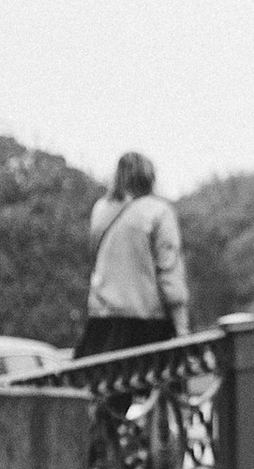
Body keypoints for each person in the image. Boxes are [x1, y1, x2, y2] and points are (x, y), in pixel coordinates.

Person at [77, 154, 188, 360]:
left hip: (101, 325)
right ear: (150, 177)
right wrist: (181, 329)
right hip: (146, 324)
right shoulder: (159, 212)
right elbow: (168, 271)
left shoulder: (101, 210)